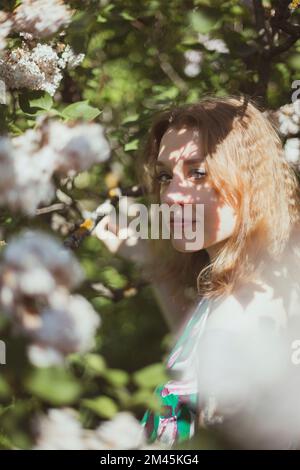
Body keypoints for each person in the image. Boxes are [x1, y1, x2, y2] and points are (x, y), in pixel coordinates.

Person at [94, 95, 300, 449]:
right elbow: (193, 356)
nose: (172, 194)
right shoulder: (240, 289)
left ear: (252, 179)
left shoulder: (249, 311)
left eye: (198, 172)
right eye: (165, 176)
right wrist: (148, 260)